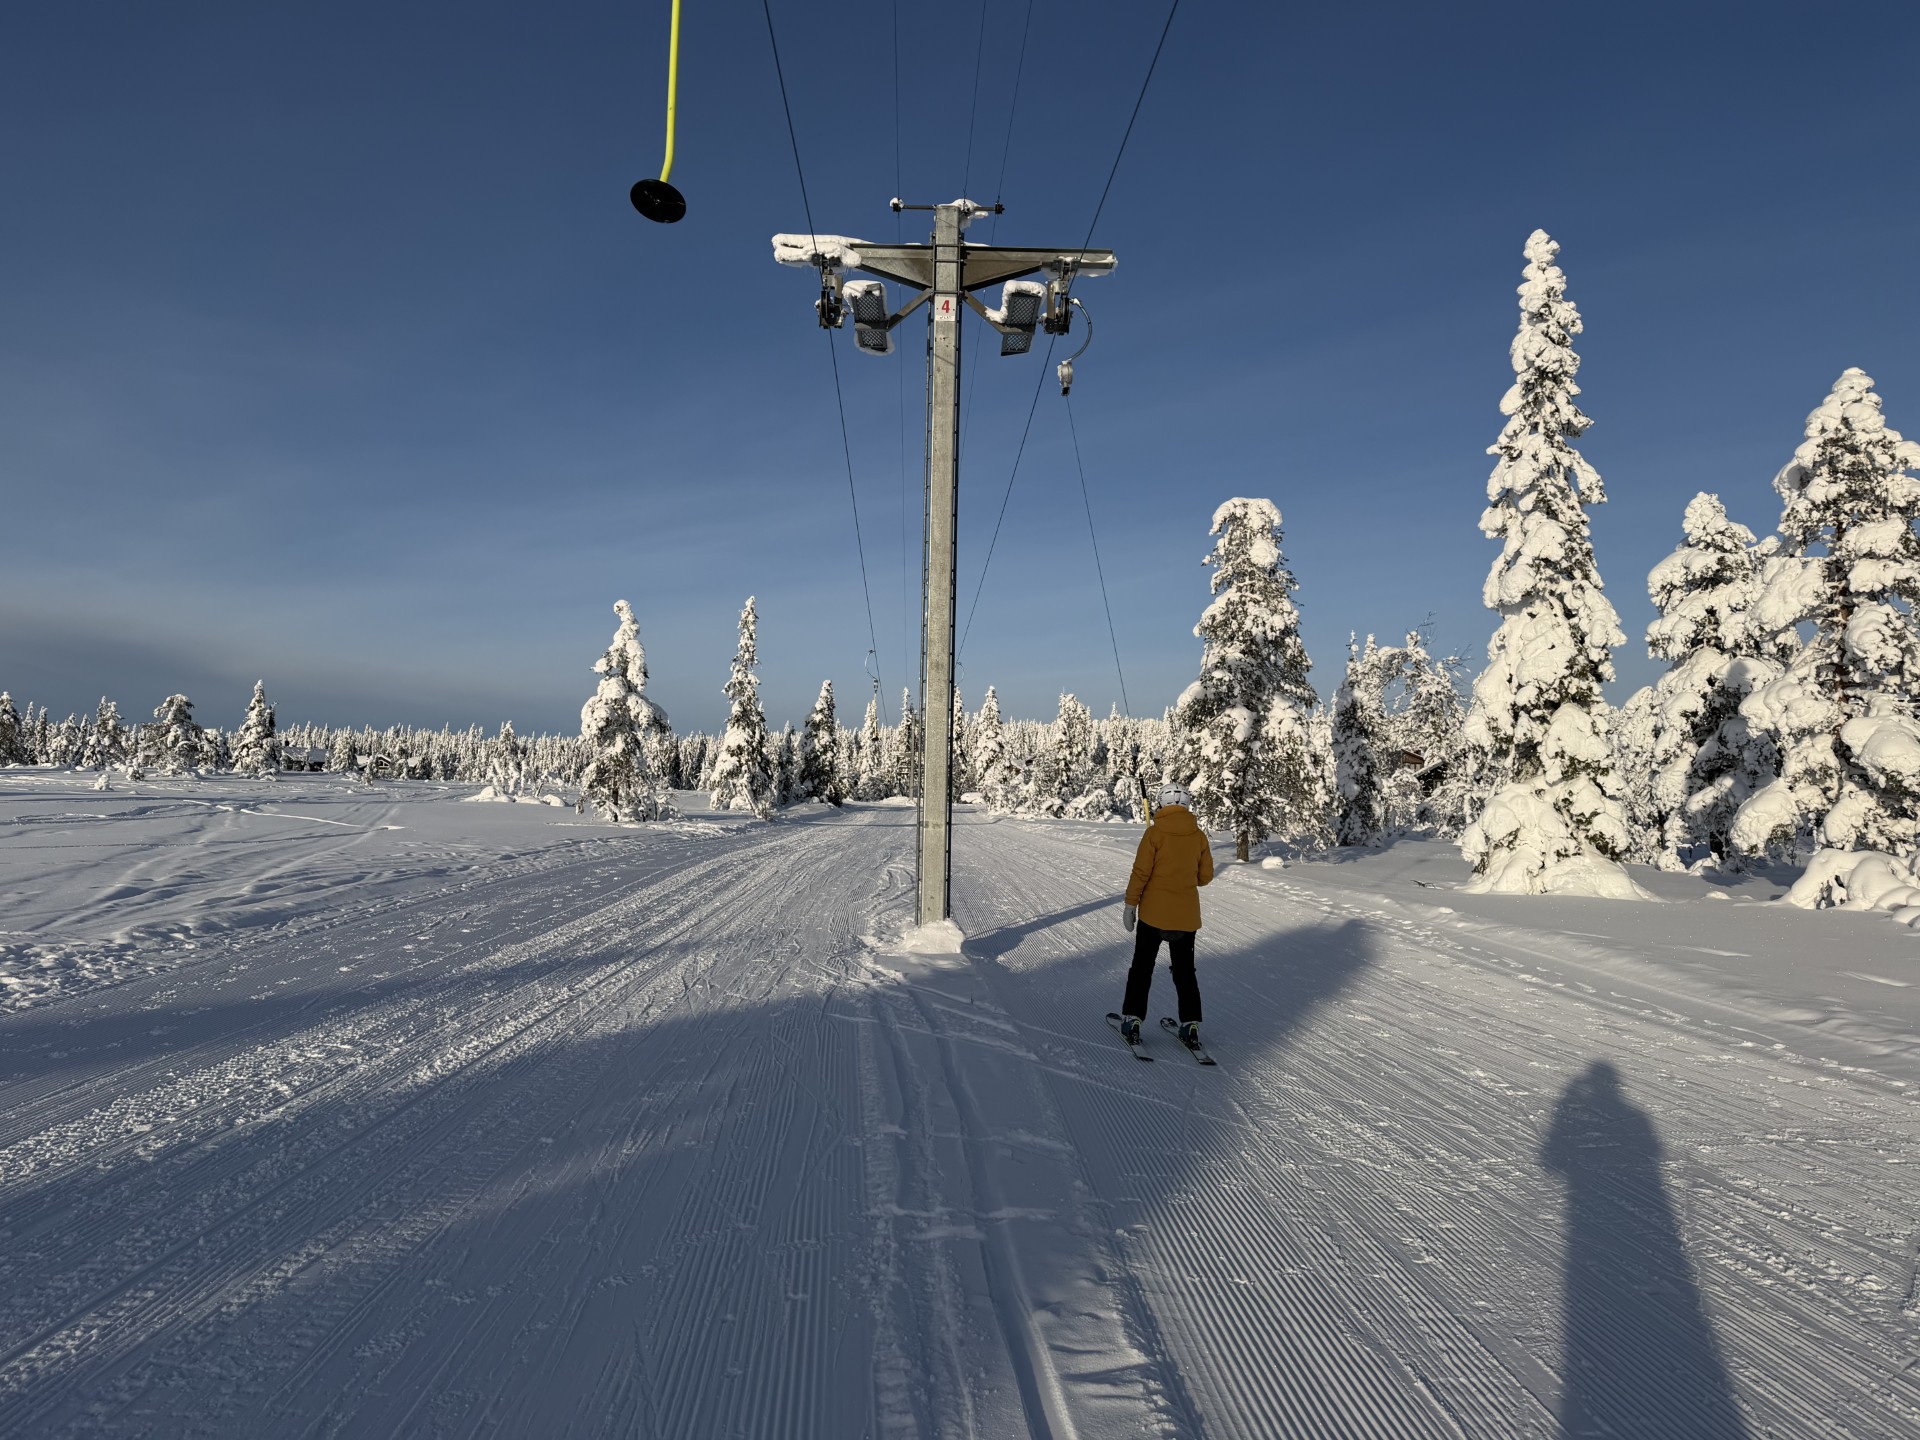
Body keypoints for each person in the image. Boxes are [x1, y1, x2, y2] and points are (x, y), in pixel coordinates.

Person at [1118, 783, 1214, 1046]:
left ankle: (1133, 1020)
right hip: (1186, 919)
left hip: (1153, 917)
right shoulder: (1199, 836)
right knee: (1185, 972)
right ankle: (1190, 1025)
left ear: (1162, 803)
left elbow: (1140, 874)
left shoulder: (1154, 834)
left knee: (1142, 969)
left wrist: (1130, 906)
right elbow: (1205, 877)